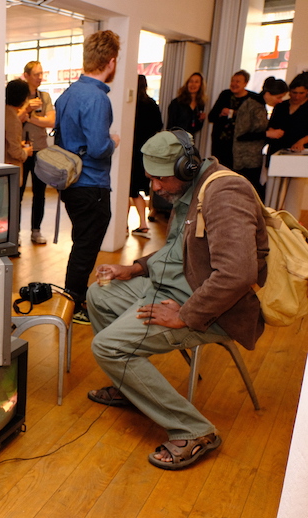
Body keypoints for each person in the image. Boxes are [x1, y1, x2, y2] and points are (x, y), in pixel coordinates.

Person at [86, 130, 267, 471]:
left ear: (187, 166)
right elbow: (175, 251)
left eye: (160, 179)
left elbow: (238, 274)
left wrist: (186, 315)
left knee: (107, 347)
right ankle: (130, 385)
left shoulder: (225, 193)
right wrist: (135, 267)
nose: (155, 187)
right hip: (168, 288)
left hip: (205, 306)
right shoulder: (189, 190)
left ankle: (195, 430)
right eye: (151, 178)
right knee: (99, 294)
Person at [53, 29, 121, 324]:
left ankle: (72, 299)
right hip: (90, 184)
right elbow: (97, 148)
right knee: (85, 246)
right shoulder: (97, 99)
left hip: (69, 182)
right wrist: (113, 142)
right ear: (111, 61)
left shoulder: (68, 94)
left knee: (81, 242)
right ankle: (74, 304)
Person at [233, 76, 288, 199]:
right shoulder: (251, 105)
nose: (280, 101)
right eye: (278, 97)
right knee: (250, 195)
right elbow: (241, 135)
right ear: (268, 94)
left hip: (254, 158)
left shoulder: (260, 106)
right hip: (245, 160)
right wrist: (267, 134)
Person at [21, 61, 55, 244]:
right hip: (21, 151)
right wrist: (25, 110)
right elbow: (14, 118)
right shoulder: (19, 96)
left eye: (41, 74)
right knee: (17, 193)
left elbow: (51, 122)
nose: (40, 77)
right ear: (26, 75)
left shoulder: (45, 96)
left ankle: (36, 231)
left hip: (41, 150)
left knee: (39, 193)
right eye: (36, 74)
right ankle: (14, 234)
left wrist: (31, 117)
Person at [130, 74, 163, 237]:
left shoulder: (131, 105)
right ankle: (142, 223)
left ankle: (132, 225)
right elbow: (159, 126)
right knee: (136, 191)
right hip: (145, 153)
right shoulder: (151, 104)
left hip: (131, 152)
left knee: (130, 190)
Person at [208, 70, 257, 169]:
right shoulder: (225, 94)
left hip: (240, 146)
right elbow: (211, 117)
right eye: (232, 81)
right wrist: (220, 113)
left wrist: (233, 113)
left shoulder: (253, 98)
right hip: (220, 143)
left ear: (245, 83)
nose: (234, 84)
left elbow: (253, 120)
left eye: (238, 81)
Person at [267, 71, 308, 156]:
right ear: (289, 92)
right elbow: (271, 125)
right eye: (294, 93)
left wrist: (302, 141)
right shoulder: (281, 106)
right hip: (277, 150)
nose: (297, 96)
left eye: (301, 93)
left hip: (300, 152)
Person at [4, 79, 32, 174]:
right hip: (10, 169)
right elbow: (14, 152)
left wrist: (19, 144)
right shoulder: (13, 119)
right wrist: (26, 152)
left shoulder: (4, 112)